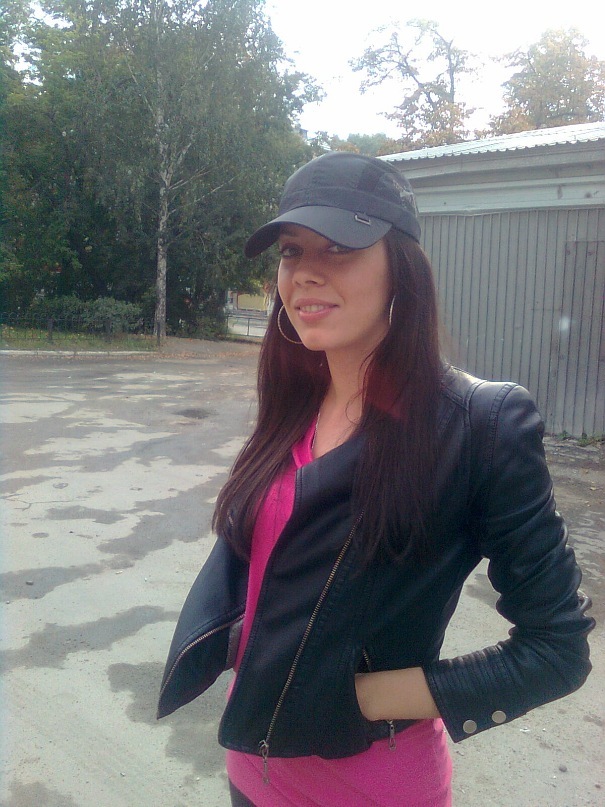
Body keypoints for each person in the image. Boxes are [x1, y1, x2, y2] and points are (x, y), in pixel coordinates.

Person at [157, 152, 594, 806]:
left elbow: (556, 650)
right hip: (250, 771)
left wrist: (362, 695)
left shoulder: (477, 425)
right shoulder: (293, 404)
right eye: (291, 250)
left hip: (373, 786)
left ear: (401, 269)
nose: (305, 271)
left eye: (338, 247)